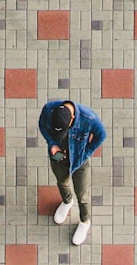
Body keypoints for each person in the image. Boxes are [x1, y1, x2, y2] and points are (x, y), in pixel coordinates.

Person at [38, 100, 107, 245]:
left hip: (78, 160)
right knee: (62, 182)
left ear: (73, 118)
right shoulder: (49, 110)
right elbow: (43, 126)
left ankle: (84, 221)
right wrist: (52, 143)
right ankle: (67, 201)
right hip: (58, 157)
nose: (61, 135)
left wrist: (86, 153)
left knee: (82, 195)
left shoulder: (89, 118)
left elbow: (101, 135)